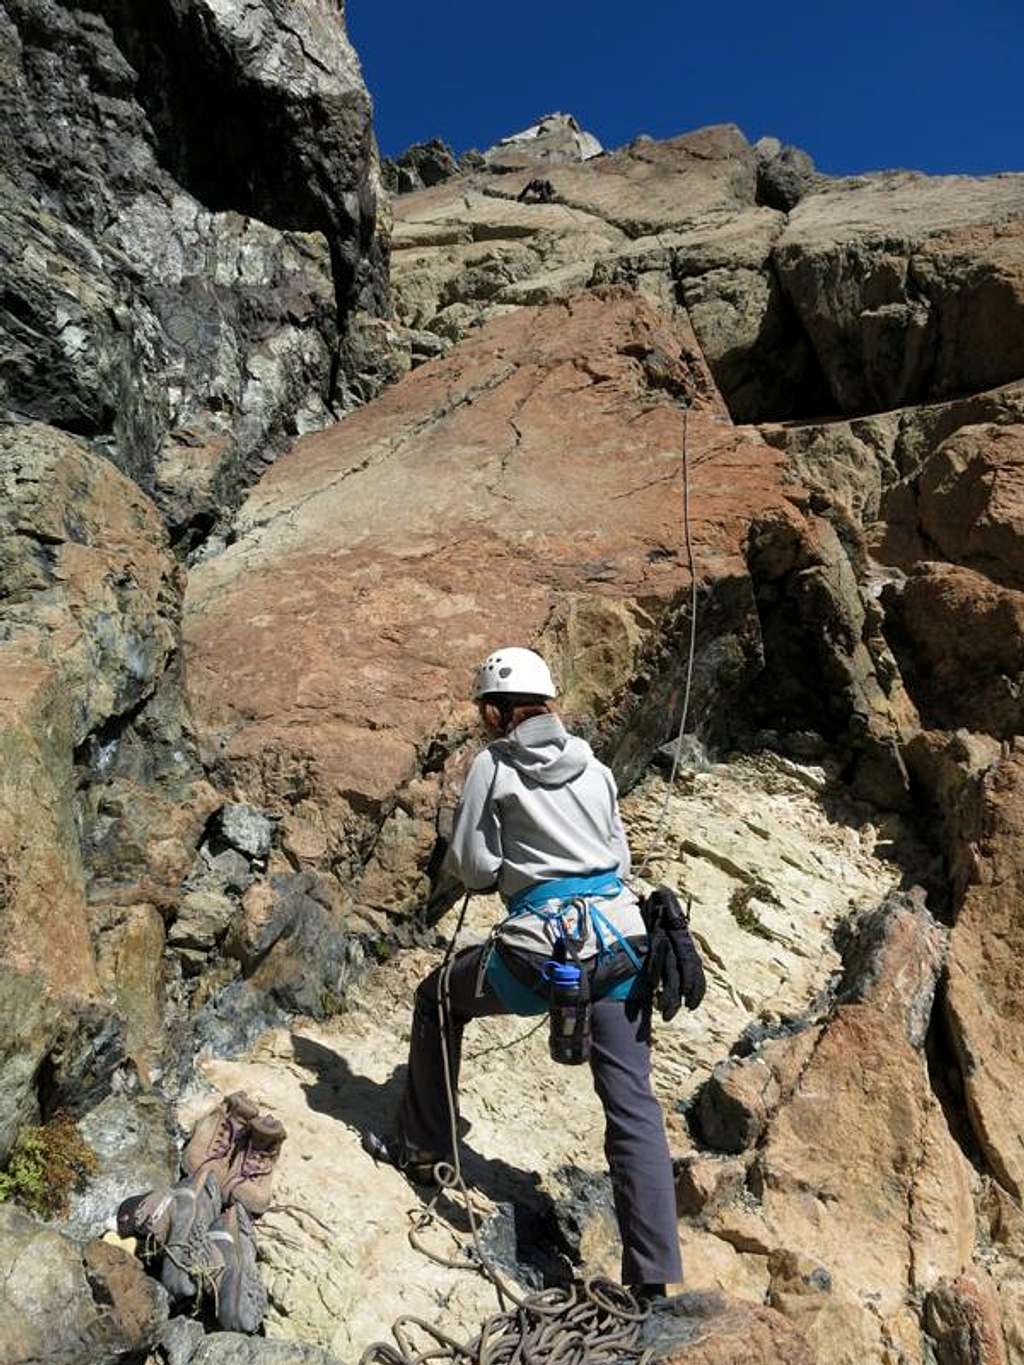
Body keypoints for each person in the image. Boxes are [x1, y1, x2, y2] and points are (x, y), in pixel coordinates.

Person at [381, 646, 705, 1298]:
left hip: (538, 956)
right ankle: (652, 1282)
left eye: (484, 712)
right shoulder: (596, 767)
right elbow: (618, 857)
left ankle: (427, 1145)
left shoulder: (493, 768)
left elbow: (474, 869)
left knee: (439, 995)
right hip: (620, 949)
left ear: (499, 714)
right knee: (633, 1107)